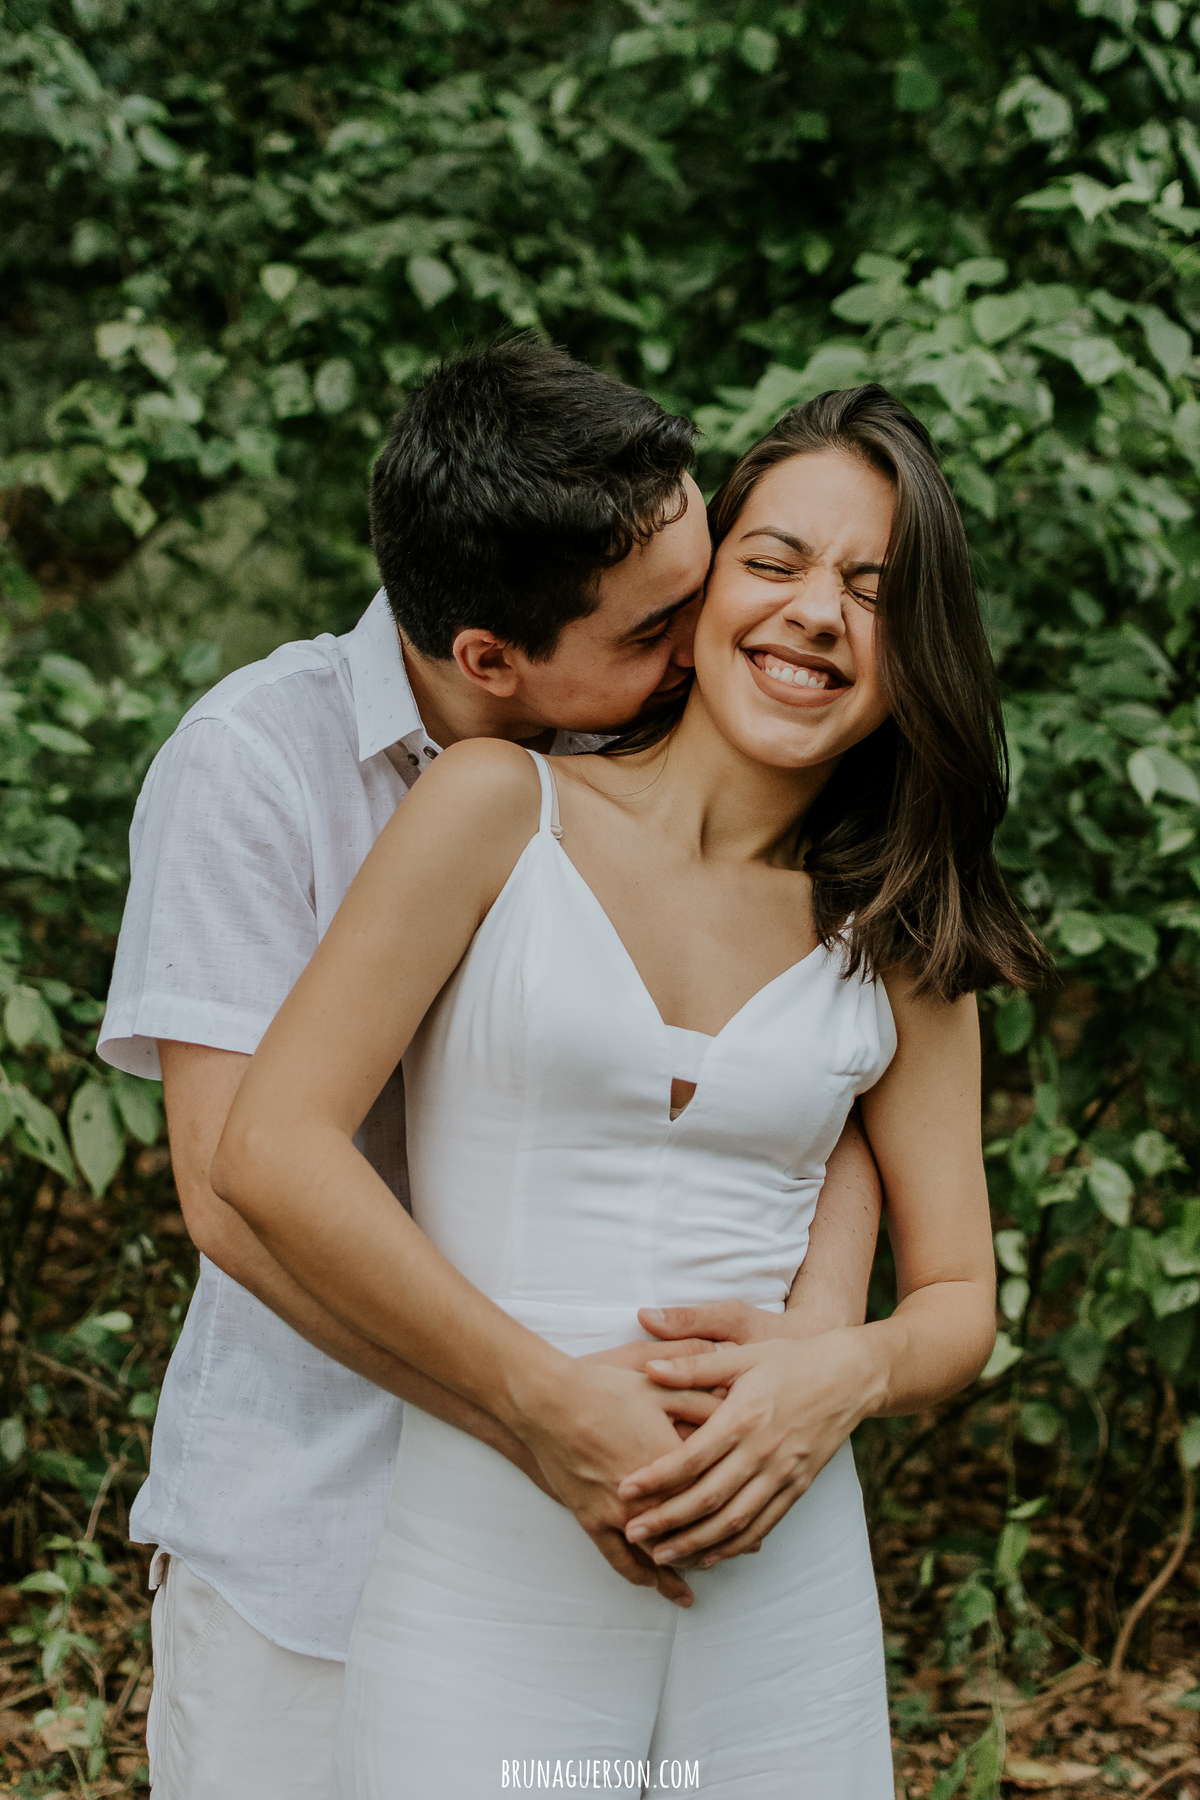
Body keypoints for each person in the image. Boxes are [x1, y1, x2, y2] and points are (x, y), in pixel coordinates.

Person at [213, 384, 1050, 1798]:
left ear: (920, 649)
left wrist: (834, 1374)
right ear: (704, 580)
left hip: (781, 1594)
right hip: (491, 1562)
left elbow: (961, 1299)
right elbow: (271, 1153)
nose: (816, 614)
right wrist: (540, 1400)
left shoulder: (895, 931)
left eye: (873, 588)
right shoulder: (494, 807)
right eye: (775, 561)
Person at [98, 338, 884, 1799]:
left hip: (623, 1537)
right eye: (660, 623)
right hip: (320, 1536)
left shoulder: (660, 753)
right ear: (489, 662)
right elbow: (230, 1195)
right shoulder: (255, 767)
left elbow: (801, 1075)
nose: (709, 629)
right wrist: (534, 1415)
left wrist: (827, 1332)